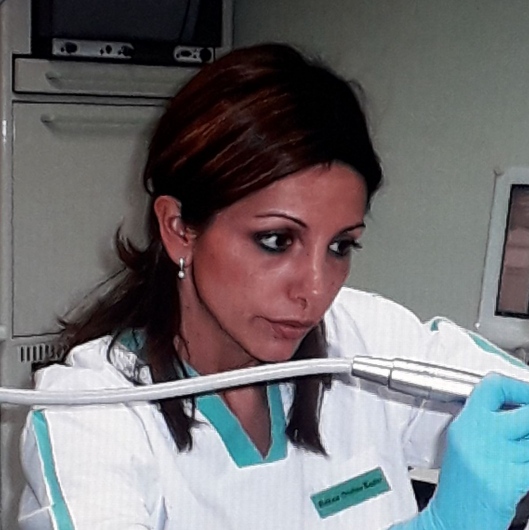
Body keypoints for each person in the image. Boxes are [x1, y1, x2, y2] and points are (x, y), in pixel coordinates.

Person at [17, 43, 529, 530]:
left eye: (340, 246)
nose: (315, 290)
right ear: (179, 229)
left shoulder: (365, 339)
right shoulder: (90, 414)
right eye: (276, 240)